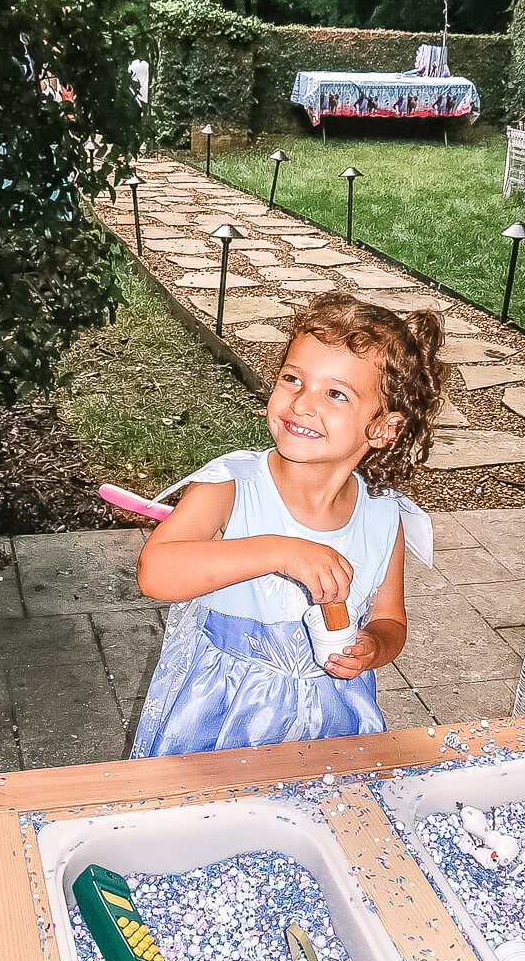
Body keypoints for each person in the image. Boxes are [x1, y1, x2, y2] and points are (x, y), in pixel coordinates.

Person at [130, 291, 444, 757]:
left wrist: (373, 648)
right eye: (293, 379)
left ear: (382, 428)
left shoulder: (384, 516)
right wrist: (280, 550)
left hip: (333, 717)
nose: (301, 403)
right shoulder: (231, 486)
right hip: (223, 716)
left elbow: (389, 620)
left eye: (336, 393)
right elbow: (156, 573)